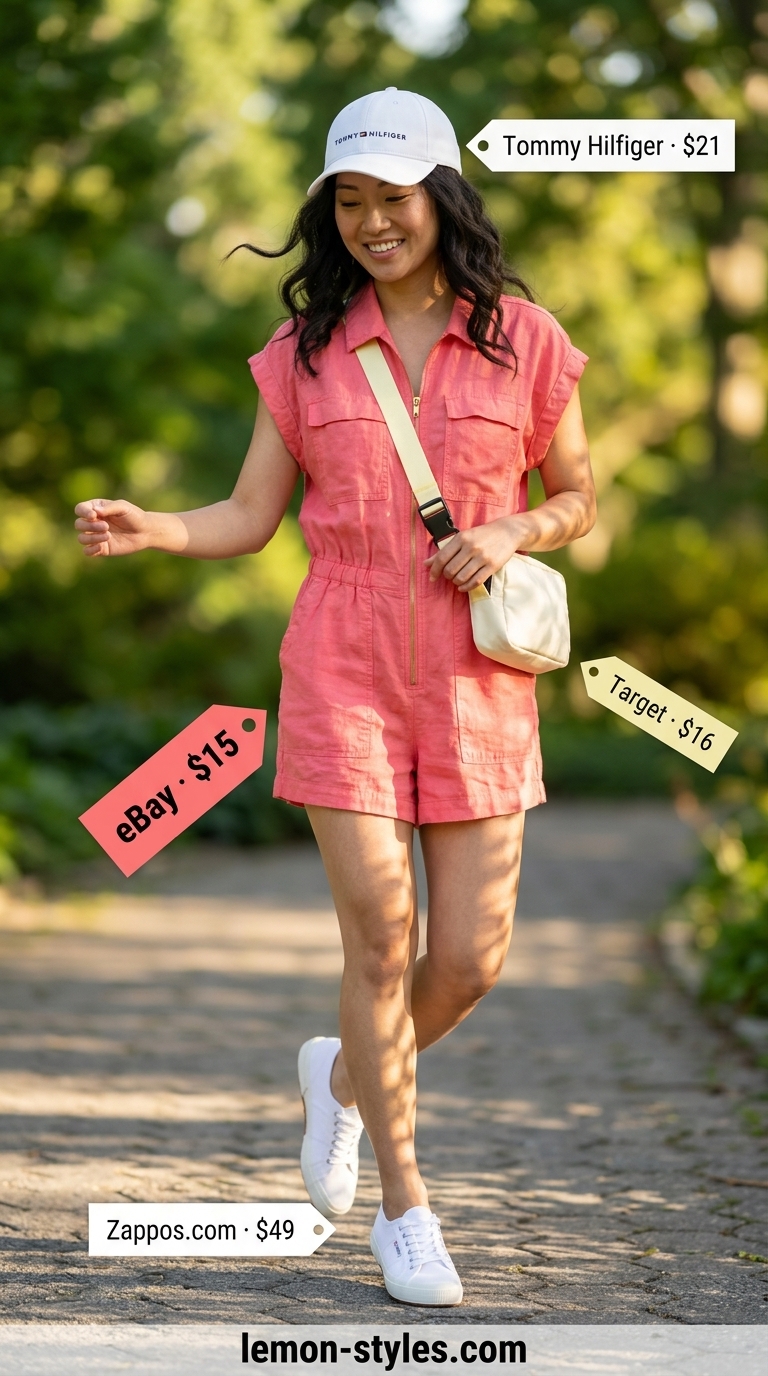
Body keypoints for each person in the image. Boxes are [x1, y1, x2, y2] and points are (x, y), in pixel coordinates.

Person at [75, 88, 596, 1308]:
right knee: (380, 936)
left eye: (393, 197)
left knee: (468, 958)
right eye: (348, 201)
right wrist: (158, 527)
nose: (372, 222)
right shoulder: (303, 353)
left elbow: (580, 494)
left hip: (477, 673)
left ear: (442, 198)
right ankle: (405, 1209)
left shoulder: (525, 338)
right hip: (342, 662)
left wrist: (515, 527)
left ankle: (343, 1076)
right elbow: (248, 515)